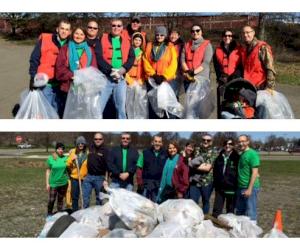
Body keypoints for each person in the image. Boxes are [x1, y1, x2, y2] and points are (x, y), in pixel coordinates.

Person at [29, 20, 71, 117]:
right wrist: (32, 77)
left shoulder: (71, 44)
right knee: (45, 112)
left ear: (69, 32)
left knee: (59, 111)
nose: (64, 31)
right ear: (57, 29)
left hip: (62, 85)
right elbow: (34, 59)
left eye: (67, 29)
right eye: (62, 28)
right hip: (45, 84)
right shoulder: (45, 39)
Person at [95, 18, 135, 119]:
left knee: (121, 108)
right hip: (105, 79)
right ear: (110, 26)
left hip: (121, 80)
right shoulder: (102, 39)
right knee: (98, 108)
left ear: (122, 28)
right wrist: (111, 70)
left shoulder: (127, 41)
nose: (116, 28)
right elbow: (99, 57)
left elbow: (131, 58)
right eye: (114, 25)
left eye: (118, 26)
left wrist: (122, 70)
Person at [55, 26, 98, 117]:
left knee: (83, 114)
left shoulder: (90, 50)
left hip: (85, 88)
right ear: (72, 34)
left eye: (81, 34)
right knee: (68, 114)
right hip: (68, 87)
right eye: (76, 33)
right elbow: (59, 68)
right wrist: (72, 75)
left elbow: (94, 68)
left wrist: (84, 77)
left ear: (85, 36)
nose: (79, 36)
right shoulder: (65, 49)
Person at [143, 26, 178, 118]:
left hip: (166, 80)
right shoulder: (150, 45)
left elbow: (173, 64)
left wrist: (164, 76)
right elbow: (145, 61)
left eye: (162, 35)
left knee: (166, 104)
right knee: (154, 103)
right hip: (152, 80)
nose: (159, 36)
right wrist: (153, 75)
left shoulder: (170, 47)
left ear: (165, 36)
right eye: (157, 35)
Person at [213, 29, 243, 118]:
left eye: (229, 36)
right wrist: (221, 76)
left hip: (235, 80)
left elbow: (241, 65)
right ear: (222, 37)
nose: (227, 37)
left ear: (232, 37)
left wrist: (235, 76)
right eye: (225, 36)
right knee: (222, 104)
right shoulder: (217, 50)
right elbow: (216, 65)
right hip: (223, 81)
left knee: (236, 103)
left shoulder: (239, 49)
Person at [241, 25, 276, 90]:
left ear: (253, 33)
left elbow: (270, 68)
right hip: (248, 85)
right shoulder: (245, 49)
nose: (245, 35)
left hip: (260, 86)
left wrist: (270, 88)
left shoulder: (262, 47)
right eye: (243, 33)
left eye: (248, 32)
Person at [236, 135, 261, 224]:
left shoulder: (252, 154)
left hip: (250, 188)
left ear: (248, 142)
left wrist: (249, 189)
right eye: (239, 141)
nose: (241, 143)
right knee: (240, 211)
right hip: (241, 187)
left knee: (251, 212)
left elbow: (255, 172)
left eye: (243, 141)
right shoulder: (242, 154)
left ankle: (252, 233)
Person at [188, 134, 216, 214]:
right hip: (194, 181)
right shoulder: (196, 150)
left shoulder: (214, 152)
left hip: (206, 181)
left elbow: (207, 168)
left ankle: (205, 218)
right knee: (193, 202)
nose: (206, 141)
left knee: (205, 201)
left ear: (211, 142)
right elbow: (188, 157)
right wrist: (191, 163)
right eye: (204, 140)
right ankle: (194, 218)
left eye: (208, 140)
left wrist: (191, 165)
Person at [212, 138, 239, 218]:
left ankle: (229, 228)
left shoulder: (237, 157)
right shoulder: (219, 157)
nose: (227, 146)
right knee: (216, 210)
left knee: (230, 210)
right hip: (219, 187)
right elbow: (215, 171)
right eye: (226, 144)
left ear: (233, 146)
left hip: (231, 187)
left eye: (230, 144)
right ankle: (216, 226)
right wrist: (216, 182)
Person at [136, 135, 168, 201]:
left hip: (158, 184)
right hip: (145, 184)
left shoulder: (166, 154)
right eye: (155, 141)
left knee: (155, 205)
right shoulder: (144, 153)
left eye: (159, 142)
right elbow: (139, 168)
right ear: (152, 142)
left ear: (162, 143)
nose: (157, 143)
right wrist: (140, 182)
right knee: (144, 206)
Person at [181, 24, 213, 92]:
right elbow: (182, 60)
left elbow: (206, 62)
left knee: (201, 102)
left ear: (202, 32)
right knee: (190, 101)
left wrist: (194, 72)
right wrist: (188, 72)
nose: (195, 32)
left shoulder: (207, 45)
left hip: (201, 78)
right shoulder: (186, 45)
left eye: (197, 30)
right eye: (193, 31)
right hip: (188, 78)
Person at [82, 133, 109, 208]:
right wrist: (72, 150)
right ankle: (85, 215)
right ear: (93, 140)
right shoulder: (90, 147)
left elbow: (108, 167)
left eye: (100, 139)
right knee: (85, 198)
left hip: (99, 178)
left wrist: (106, 180)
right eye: (96, 139)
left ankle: (98, 217)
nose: (98, 141)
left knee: (99, 199)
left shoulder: (106, 150)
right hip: (88, 177)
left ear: (103, 140)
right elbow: (79, 148)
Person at [125, 32, 148, 119]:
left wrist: (142, 79)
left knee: (141, 103)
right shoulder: (127, 51)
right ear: (132, 40)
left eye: (139, 40)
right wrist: (128, 79)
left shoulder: (143, 53)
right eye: (136, 39)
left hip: (140, 81)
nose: (137, 41)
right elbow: (124, 66)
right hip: (129, 81)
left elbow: (145, 68)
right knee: (129, 103)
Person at [46, 142, 68, 216]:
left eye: (62, 149)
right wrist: (47, 183)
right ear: (56, 149)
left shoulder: (66, 158)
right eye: (59, 149)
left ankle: (59, 214)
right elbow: (48, 171)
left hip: (63, 183)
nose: (61, 150)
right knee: (51, 200)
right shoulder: (51, 158)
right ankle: (49, 213)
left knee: (60, 200)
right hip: (53, 183)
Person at [66, 136, 88, 211]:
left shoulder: (87, 153)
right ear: (77, 144)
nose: (80, 145)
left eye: (82, 143)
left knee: (84, 196)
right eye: (79, 143)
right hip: (75, 178)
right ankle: (75, 211)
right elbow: (67, 164)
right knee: (75, 196)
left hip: (84, 178)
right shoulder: (73, 152)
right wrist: (72, 158)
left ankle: (84, 210)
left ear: (84, 144)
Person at [168, 29, 185, 98]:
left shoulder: (182, 46)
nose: (173, 36)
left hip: (177, 73)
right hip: (166, 73)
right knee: (167, 94)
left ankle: (175, 108)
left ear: (179, 36)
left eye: (175, 34)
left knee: (174, 94)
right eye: (172, 34)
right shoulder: (166, 45)